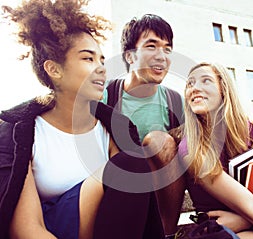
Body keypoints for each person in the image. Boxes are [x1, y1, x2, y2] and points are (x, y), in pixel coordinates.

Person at [102, 14, 253, 238]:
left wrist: (249, 118)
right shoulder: (106, 94)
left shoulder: (175, 101)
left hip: (159, 196)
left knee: (162, 140)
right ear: (129, 55)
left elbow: (205, 129)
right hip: (117, 188)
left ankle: (166, 234)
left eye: (167, 49)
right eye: (151, 46)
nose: (161, 56)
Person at [0, 1, 164, 239]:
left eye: (102, 60)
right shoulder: (20, 132)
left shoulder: (114, 129)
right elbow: (26, 228)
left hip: (106, 231)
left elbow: (133, 210)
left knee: (131, 166)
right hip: (50, 231)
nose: (101, 69)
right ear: (54, 69)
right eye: (88, 59)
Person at [176, 61, 253, 238]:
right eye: (190, 83)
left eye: (205, 81)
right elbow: (249, 208)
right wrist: (246, 221)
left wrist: (243, 219)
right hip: (228, 227)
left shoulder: (248, 129)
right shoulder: (191, 150)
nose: (194, 88)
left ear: (223, 89)